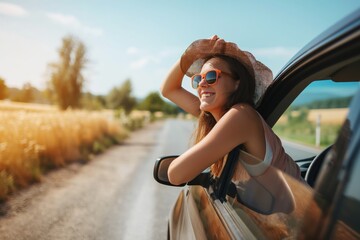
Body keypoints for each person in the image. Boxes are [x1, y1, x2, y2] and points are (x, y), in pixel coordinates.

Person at [161, 35, 302, 186]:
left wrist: (191, 54)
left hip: (297, 209)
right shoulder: (219, 116)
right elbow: (168, 90)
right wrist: (189, 54)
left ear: (236, 83)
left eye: (211, 76)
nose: (202, 83)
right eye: (198, 79)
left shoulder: (241, 115)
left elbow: (176, 174)